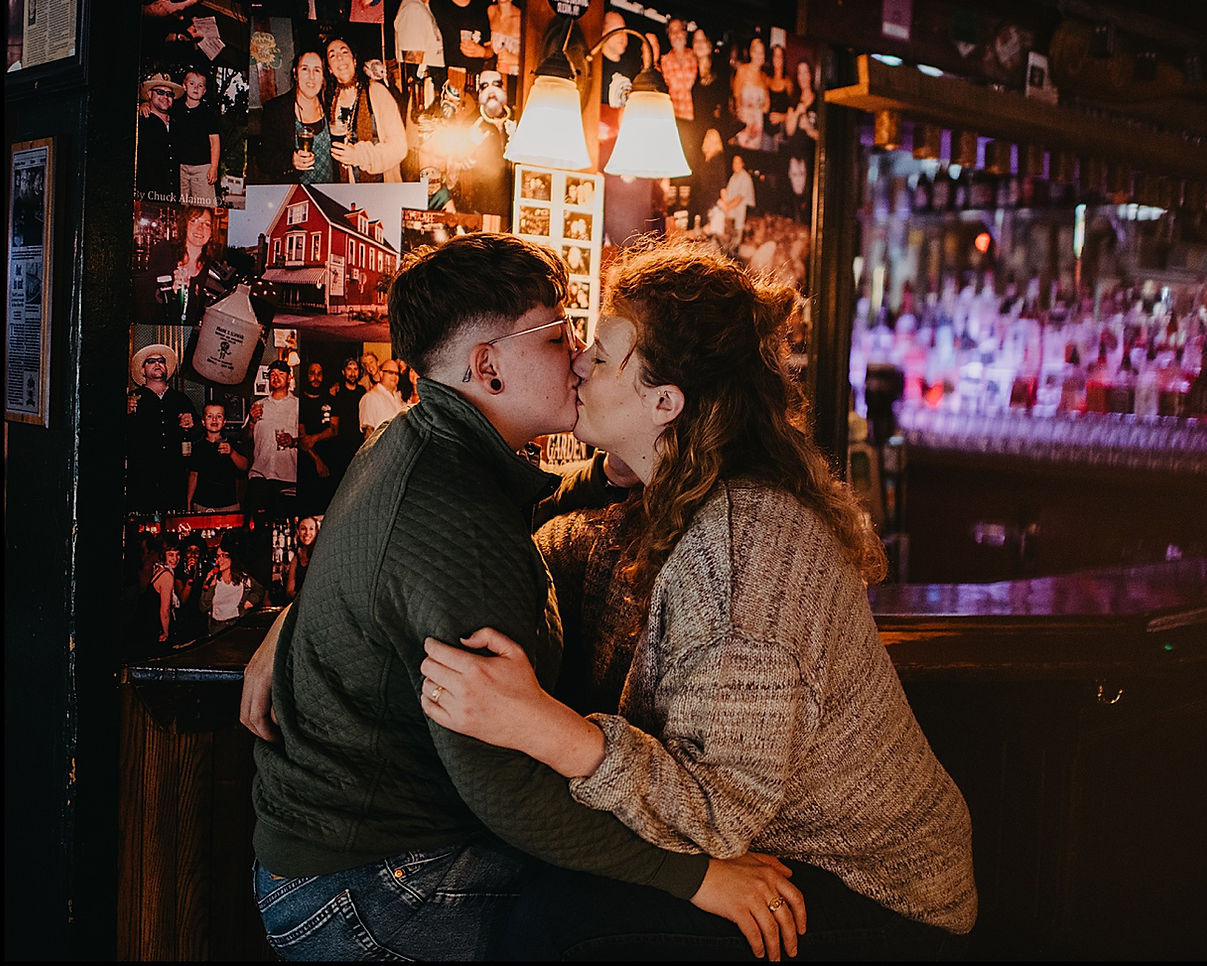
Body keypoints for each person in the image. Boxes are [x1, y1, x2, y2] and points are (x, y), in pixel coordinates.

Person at [244, 232, 804, 962]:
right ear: (488, 364)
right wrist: (695, 877)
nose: (576, 356)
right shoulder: (454, 522)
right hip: (373, 892)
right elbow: (502, 787)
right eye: (560, 332)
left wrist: (290, 620)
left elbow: (469, 529)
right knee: (667, 921)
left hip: (319, 860)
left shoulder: (418, 442)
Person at [419, 240, 978, 959]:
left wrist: (541, 726)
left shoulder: (745, 550)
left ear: (664, 401)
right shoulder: (673, 497)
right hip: (776, 854)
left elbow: (716, 814)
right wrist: (310, 611)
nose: (580, 361)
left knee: (546, 921)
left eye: (605, 351)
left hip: (874, 897)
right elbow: (524, 542)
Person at [324, 35, 408, 183]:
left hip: (380, 187)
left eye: (344, 52)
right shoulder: (330, 101)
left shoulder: (376, 92)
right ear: (330, 69)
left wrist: (359, 156)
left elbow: (400, 147)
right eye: (332, 55)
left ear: (354, 61)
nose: (339, 58)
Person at [125, 343, 197, 514]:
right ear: (143, 371)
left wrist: (192, 424)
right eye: (151, 361)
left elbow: (199, 433)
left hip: (175, 478)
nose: (157, 364)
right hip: (143, 480)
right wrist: (124, 414)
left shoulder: (181, 399)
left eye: (161, 361)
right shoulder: (132, 399)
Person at [258, 47, 335, 185]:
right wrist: (290, 160)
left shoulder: (331, 105)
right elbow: (263, 159)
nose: (311, 76)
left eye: (317, 70)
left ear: (323, 77)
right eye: (305, 69)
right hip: (295, 191)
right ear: (295, 73)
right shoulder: (276, 109)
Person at [244, 359, 299, 546]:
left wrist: (293, 441)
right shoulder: (258, 406)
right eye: (272, 374)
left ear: (289, 378)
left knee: (287, 532)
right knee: (260, 532)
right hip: (260, 475)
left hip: (288, 476)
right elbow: (247, 438)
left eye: (281, 374)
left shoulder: (298, 405)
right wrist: (251, 420)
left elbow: (307, 441)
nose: (276, 378)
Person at [139, 205, 221, 325]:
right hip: (158, 333)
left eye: (207, 224)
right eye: (194, 221)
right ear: (185, 225)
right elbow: (145, 298)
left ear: (211, 232)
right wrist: (170, 289)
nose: (200, 228)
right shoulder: (164, 251)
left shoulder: (212, 269)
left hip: (191, 338)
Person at [187, 402, 249, 512]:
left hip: (228, 504)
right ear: (203, 422)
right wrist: (188, 502)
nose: (214, 420)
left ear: (224, 422)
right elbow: (193, 476)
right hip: (202, 504)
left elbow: (244, 466)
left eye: (219, 416)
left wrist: (232, 453)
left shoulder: (232, 443)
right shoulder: (198, 446)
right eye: (210, 416)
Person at [200, 531, 266, 634]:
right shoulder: (212, 579)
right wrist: (210, 587)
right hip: (216, 627)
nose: (219, 560)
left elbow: (260, 590)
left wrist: (250, 602)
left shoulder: (243, 579)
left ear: (232, 558)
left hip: (236, 625)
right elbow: (203, 607)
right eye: (218, 556)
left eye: (224, 556)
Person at [394, 0, 445, 108]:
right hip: (422, 96)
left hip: (430, 90)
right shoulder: (413, 8)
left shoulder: (421, 5)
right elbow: (411, 63)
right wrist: (419, 104)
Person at [296, 362, 338, 515]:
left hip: (329, 460)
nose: (316, 377)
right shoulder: (300, 402)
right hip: (309, 462)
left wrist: (314, 437)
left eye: (319, 373)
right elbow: (302, 439)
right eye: (312, 373)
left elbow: (334, 430)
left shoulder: (330, 399)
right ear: (306, 375)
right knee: (307, 508)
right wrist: (318, 462)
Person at [175, 69, 221, 207]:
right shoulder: (176, 109)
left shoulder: (208, 113)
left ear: (205, 91)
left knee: (204, 206)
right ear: (184, 86)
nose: (196, 88)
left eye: (200, 85)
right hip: (181, 168)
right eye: (192, 83)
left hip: (202, 169)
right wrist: (144, 104)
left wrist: (214, 167)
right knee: (183, 206)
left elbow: (215, 142)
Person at [137, 71, 183, 202]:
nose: (165, 97)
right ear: (149, 94)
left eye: (169, 94)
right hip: (147, 199)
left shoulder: (177, 125)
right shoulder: (140, 123)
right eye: (160, 92)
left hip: (173, 200)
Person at [325, 355, 365, 485]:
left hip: (358, 444)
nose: (353, 373)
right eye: (349, 369)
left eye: (355, 369)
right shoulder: (336, 392)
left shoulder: (362, 391)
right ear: (343, 372)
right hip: (340, 445)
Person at [357, 356, 406, 437]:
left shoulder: (398, 397)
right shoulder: (370, 398)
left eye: (397, 373)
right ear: (381, 373)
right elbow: (368, 434)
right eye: (390, 372)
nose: (394, 376)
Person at [486, 0, 520, 87]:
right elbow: (490, 47)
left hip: (518, 80)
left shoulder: (522, 18)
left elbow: (535, 56)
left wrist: (514, 59)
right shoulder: (491, 11)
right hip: (497, 78)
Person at [283, 514, 319, 600]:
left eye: (311, 529)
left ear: (316, 531)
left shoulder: (320, 555)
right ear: (298, 531)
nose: (307, 533)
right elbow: (289, 592)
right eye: (303, 528)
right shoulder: (296, 559)